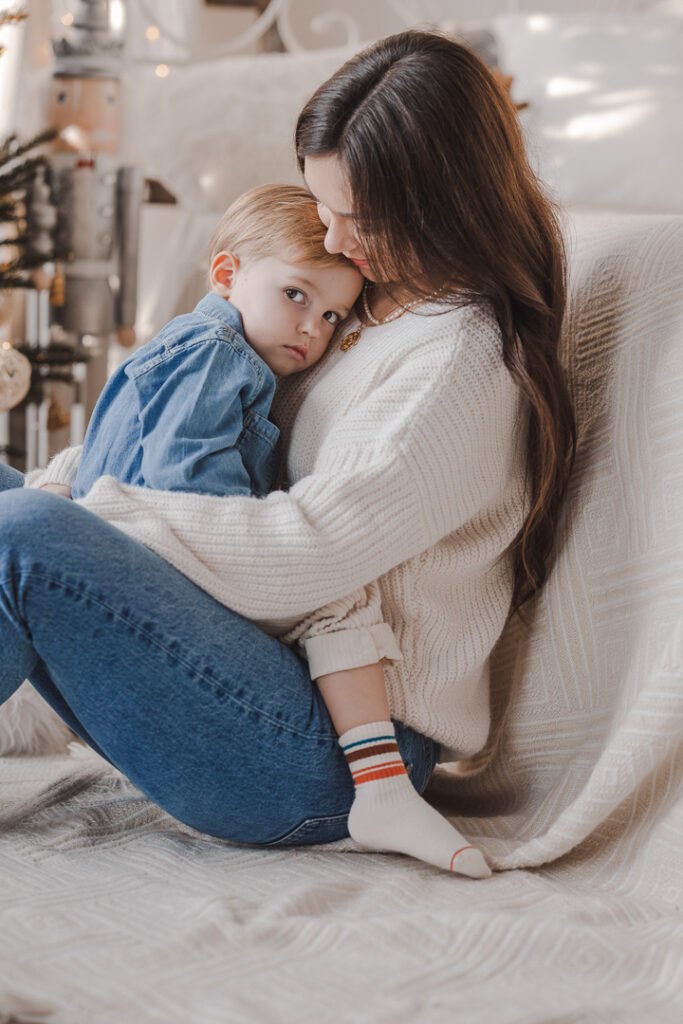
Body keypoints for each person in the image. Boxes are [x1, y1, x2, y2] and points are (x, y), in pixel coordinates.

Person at [0, 30, 575, 875]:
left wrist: (91, 512)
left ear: (438, 202)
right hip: (260, 670)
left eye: (357, 219)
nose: (333, 239)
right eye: (322, 205)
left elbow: (311, 554)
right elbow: (175, 428)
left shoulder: (460, 360)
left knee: (20, 535)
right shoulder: (363, 298)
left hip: (330, 755)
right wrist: (66, 485)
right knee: (16, 508)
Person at [67, 181, 489, 876]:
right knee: (336, 605)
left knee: (332, 596)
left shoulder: (204, 345)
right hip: (174, 552)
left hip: (155, 555)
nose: (312, 331)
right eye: (296, 295)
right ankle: (381, 786)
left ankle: (382, 788)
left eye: (331, 316)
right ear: (226, 274)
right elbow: (187, 487)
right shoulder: (218, 354)